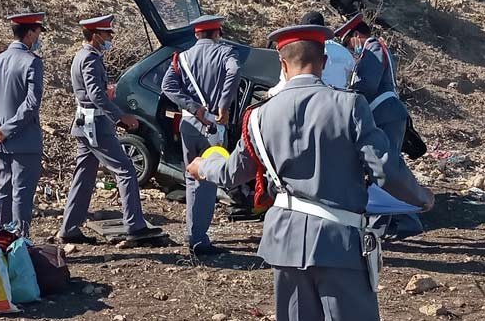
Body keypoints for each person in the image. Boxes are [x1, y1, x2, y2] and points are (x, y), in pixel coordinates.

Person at [186, 24, 434, 321]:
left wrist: (203, 166)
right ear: (324, 62)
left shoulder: (258, 116)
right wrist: (421, 197)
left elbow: (232, 173)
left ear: (282, 64)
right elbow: (386, 171)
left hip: (284, 244)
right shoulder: (349, 106)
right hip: (339, 243)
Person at [59, 15, 162, 243]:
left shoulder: (82, 56)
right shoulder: (90, 58)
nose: (110, 38)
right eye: (107, 34)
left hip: (86, 124)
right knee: (125, 170)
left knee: (84, 176)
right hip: (96, 125)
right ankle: (135, 226)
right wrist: (120, 116)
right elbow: (95, 94)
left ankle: (69, 228)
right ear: (96, 35)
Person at [336, 14, 422, 237]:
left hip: (386, 114)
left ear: (356, 35)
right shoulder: (373, 49)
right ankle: (396, 219)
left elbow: (367, 84)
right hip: (386, 114)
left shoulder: (373, 47)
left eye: (348, 44)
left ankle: (399, 221)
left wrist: (342, 94)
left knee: (386, 167)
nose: (349, 49)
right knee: (386, 166)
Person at [161, 15, 241, 256]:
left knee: (192, 178)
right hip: (214, 125)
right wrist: (224, 106)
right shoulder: (226, 54)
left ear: (196, 34)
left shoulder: (182, 57)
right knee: (207, 179)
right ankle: (199, 239)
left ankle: (193, 232)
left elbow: (168, 86)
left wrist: (194, 107)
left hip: (188, 123)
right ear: (217, 33)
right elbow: (235, 71)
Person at [0, 13, 47, 235]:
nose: (38, 37)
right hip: (24, 139)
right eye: (38, 32)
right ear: (30, 33)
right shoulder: (32, 62)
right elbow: (31, 104)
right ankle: (19, 240)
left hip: (0, 140)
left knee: (3, 190)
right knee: (22, 193)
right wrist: (7, 130)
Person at [268, 11, 355, 95]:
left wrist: (270, 94)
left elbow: (285, 84)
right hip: (338, 98)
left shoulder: (297, 52)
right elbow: (351, 76)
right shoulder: (344, 52)